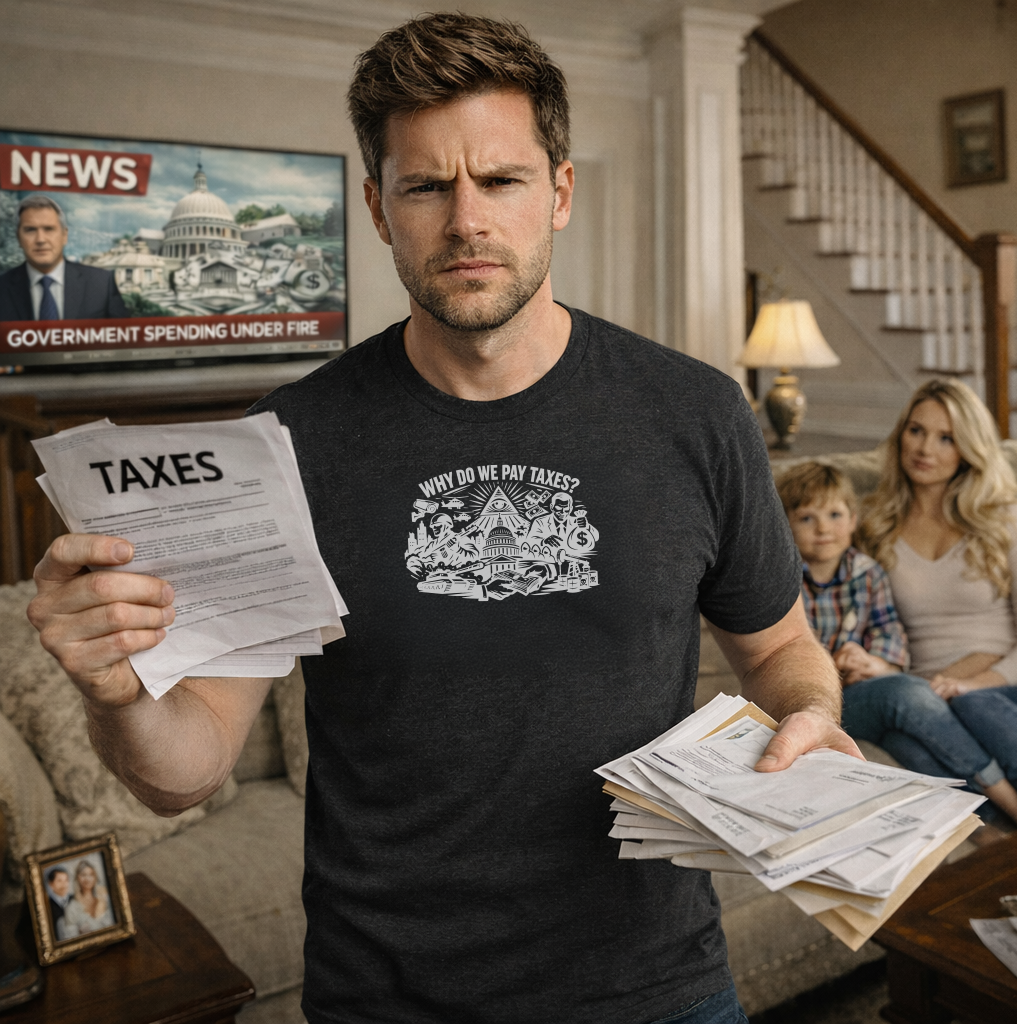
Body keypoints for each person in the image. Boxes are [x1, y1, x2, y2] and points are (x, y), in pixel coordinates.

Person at [26, 15, 863, 1024]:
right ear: (379, 208)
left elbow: (778, 648)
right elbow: (185, 765)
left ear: (557, 192)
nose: (466, 220)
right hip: (388, 999)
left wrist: (810, 713)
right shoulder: (282, 443)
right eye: (427, 186)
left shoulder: (697, 413)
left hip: (658, 987)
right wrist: (118, 695)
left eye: (500, 180)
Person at [777, 460, 1017, 826]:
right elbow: (784, 650)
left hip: (872, 688)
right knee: (905, 693)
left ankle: (987, 833)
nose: (824, 528)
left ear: (853, 520)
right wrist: (830, 664)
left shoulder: (868, 572)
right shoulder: (783, 579)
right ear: (786, 526)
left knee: (904, 739)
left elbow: (889, 637)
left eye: (834, 514)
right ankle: (1011, 802)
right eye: (807, 519)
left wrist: (874, 662)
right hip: (823, 698)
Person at [858, 377, 1017, 828]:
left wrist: (970, 684)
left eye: (946, 437)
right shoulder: (873, 526)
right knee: (905, 734)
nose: (925, 448)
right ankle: (995, 847)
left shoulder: (1007, 517)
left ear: (969, 447)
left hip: (1000, 686)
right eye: (916, 430)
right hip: (924, 692)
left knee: (970, 709)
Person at [0, 195, 128, 322]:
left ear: (64, 235)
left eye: (49, 229)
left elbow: (126, 339)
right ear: (18, 238)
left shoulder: (101, 284)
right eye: (30, 230)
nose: (40, 239)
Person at [61, 860, 114, 937]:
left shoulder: (105, 900)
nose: (87, 879)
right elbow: (71, 937)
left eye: (91, 875)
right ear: (78, 878)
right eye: (83, 875)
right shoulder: (71, 908)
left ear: (95, 877)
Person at [45, 867, 73, 941]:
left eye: (66, 880)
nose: (64, 885)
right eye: (59, 881)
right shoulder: (46, 906)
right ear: (51, 883)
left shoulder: (75, 899)